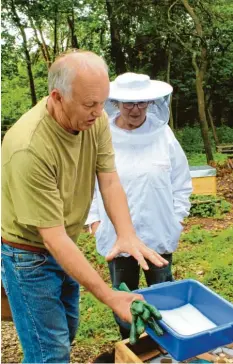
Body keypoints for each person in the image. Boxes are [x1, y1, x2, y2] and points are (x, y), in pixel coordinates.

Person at [1, 52, 168, 364]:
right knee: (48, 352)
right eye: (89, 104)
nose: (98, 112)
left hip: (65, 241)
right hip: (28, 254)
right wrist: (109, 295)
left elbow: (108, 179)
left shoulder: (95, 120)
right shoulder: (28, 147)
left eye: (101, 102)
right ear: (58, 97)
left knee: (66, 331)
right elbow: (51, 237)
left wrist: (126, 233)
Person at [87, 72, 192, 340]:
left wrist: (176, 219)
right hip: (116, 236)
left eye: (141, 103)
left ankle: (165, 346)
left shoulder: (163, 134)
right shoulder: (101, 135)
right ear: (117, 103)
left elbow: (181, 180)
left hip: (158, 233)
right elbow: (87, 181)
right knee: (124, 297)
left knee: (164, 297)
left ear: (151, 102)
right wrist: (95, 221)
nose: (135, 110)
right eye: (128, 104)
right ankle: (130, 347)